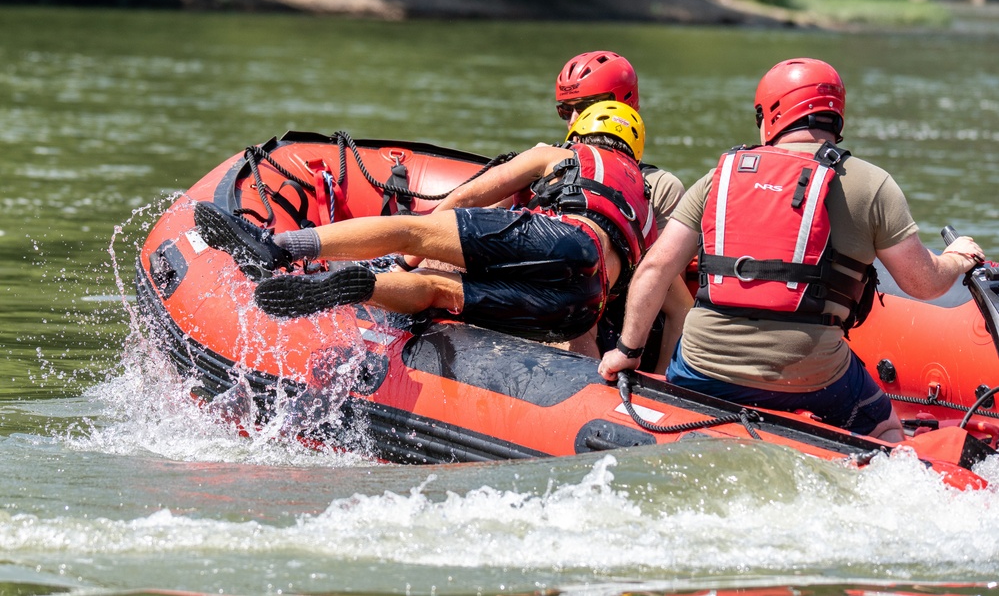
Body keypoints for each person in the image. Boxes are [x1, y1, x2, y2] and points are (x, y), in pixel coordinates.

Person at [597, 57, 984, 442]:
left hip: (706, 365)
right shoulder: (873, 185)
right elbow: (923, 283)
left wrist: (628, 351)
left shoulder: (718, 179)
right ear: (836, 119)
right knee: (883, 428)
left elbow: (655, 270)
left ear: (770, 115)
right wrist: (956, 257)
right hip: (812, 371)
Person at [194, 100, 656, 345]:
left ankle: (278, 248)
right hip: (580, 309)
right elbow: (659, 288)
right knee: (440, 293)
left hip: (568, 241)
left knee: (413, 231)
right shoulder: (647, 202)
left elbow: (472, 193)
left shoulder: (560, 154)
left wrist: (416, 250)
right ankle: (362, 288)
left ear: (582, 133)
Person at [554, 50, 691, 371]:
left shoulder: (661, 186)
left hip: (626, 319)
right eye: (564, 110)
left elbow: (671, 294)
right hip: (569, 308)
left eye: (584, 108)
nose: (572, 121)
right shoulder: (551, 165)